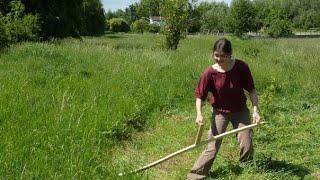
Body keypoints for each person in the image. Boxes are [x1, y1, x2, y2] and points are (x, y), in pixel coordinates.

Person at [187, 38, 261, 180]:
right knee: (212, 145)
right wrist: (199, 114)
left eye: (223, 56)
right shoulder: (210, 73)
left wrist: (256, 110)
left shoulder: (241, 67)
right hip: (220, 112)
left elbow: (251, 90)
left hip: (240, 111)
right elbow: (200, 96)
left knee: (247, 143)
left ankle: (246, 169)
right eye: (216, 55)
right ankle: (194, 176)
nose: (219, 59)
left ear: (230, 54)